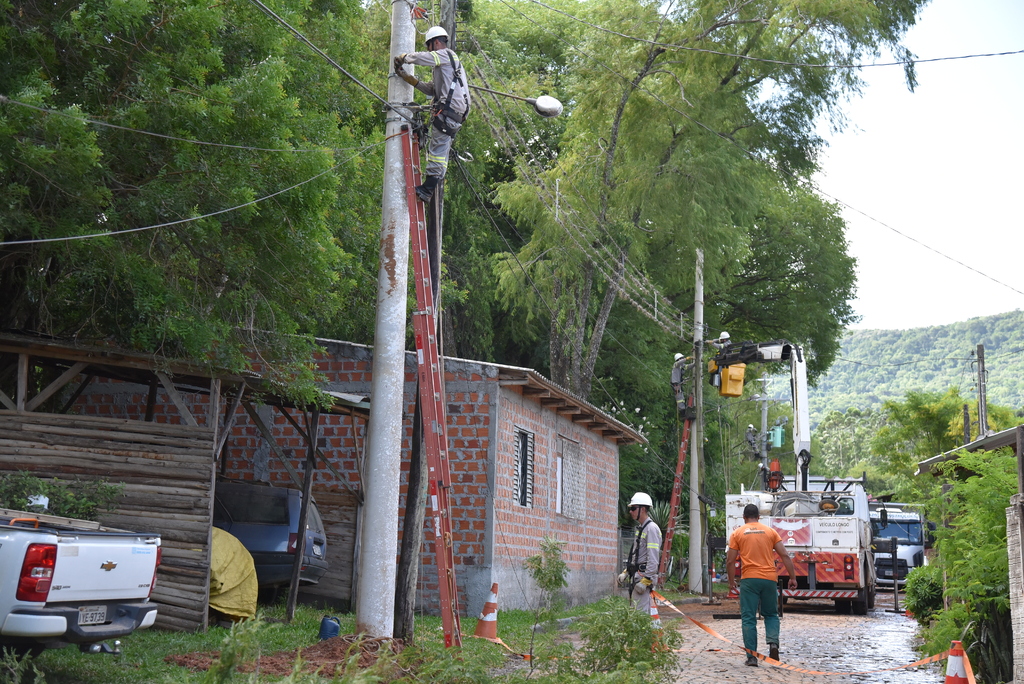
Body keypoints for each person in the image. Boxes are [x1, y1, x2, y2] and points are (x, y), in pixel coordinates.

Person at [393, 26, 471, 203]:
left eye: (429, 46)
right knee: (440, 153)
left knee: (436, 152)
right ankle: (429, 187)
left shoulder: (446, 54)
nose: (429, 50)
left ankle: (427, 190)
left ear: (436, 43)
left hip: (449, 113)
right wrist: (410, 79)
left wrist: (405, 57)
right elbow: (431, 89)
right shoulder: (446, 68)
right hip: (454, 115)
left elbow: (427, 58)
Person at [726, 503, 798, 667]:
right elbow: (785, 555)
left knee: (749, 617)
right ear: (759, 517)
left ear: (744, 518)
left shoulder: (737, 533)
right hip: (769, 579)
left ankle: (751, 657)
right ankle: (773, 644)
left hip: (749, 580)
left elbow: (730, 560)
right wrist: (792, 578)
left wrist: (731, 582)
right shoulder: (770, 532)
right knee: (771, 614)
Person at [618, 492, 662, 625]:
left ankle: (644, 645)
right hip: (636, 579)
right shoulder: (641, 528)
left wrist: (646, 580)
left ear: (643, 509)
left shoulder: (651, 529)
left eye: (633, 508)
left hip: (642, 581)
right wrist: (626, 572)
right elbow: (636, 555)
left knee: (640, 619)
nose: (630, 511)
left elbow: (653, 559)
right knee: (636, 616)